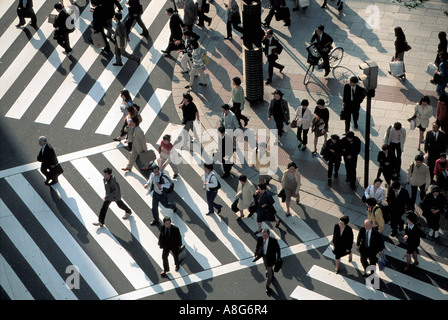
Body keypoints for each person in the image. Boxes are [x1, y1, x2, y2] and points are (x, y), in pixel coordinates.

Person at [253, 229, 281, 295]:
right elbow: (258, 246)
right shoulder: (260, 239)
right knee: (268, 268)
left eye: (265, 235)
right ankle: (271, 274)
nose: (263, 236)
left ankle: (267, 285)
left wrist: (279, 257)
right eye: (263, 235)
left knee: (268, 271)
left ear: (268, 235)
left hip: (271, 257)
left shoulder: (273, 240)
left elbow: (278, 249)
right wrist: (256, 253)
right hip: (264, 256)